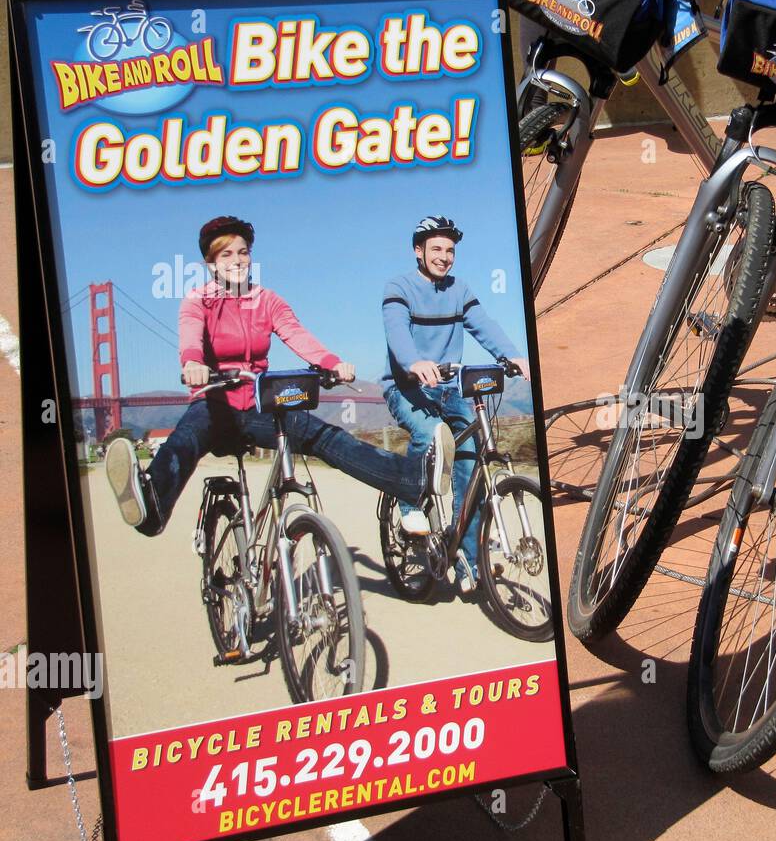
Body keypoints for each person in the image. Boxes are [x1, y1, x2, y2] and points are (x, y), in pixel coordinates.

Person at [106, 215, 430, 534]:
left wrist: (331, 362)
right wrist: (192, 363)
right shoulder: (198, 301)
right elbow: (190, 336)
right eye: (226, 254)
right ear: (211, 263)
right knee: (186, 438)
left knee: (326, 437)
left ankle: (413, 480)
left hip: (258, 404)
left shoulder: (267, 301)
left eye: (243, 252)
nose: (237, 260)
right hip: (215, 404)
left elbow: (296, 334)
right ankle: (149, 505)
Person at [381, 215, 530, 594]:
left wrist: (513, 356)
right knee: (429, 433)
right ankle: (410, 505)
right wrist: (414, 363)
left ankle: (466, 556)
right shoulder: (399, 286)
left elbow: (484, 324)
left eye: (449, 250)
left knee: (471, 462)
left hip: (451, 388)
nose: (444, 257)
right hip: (409, 387)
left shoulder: (459, 289)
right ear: (419, 251)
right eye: (436, 249)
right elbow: (397, 332)